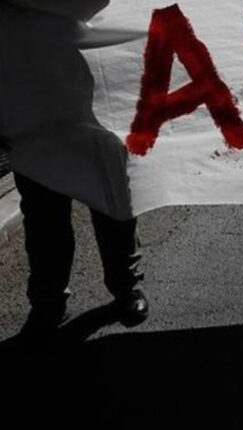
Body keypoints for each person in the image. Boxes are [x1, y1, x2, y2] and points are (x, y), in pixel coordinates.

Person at [0, 0, 149, 336]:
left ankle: (126, 287)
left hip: (95, 94)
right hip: (29, 103)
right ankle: (48, 303)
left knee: (113, 203)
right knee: (44, 217)